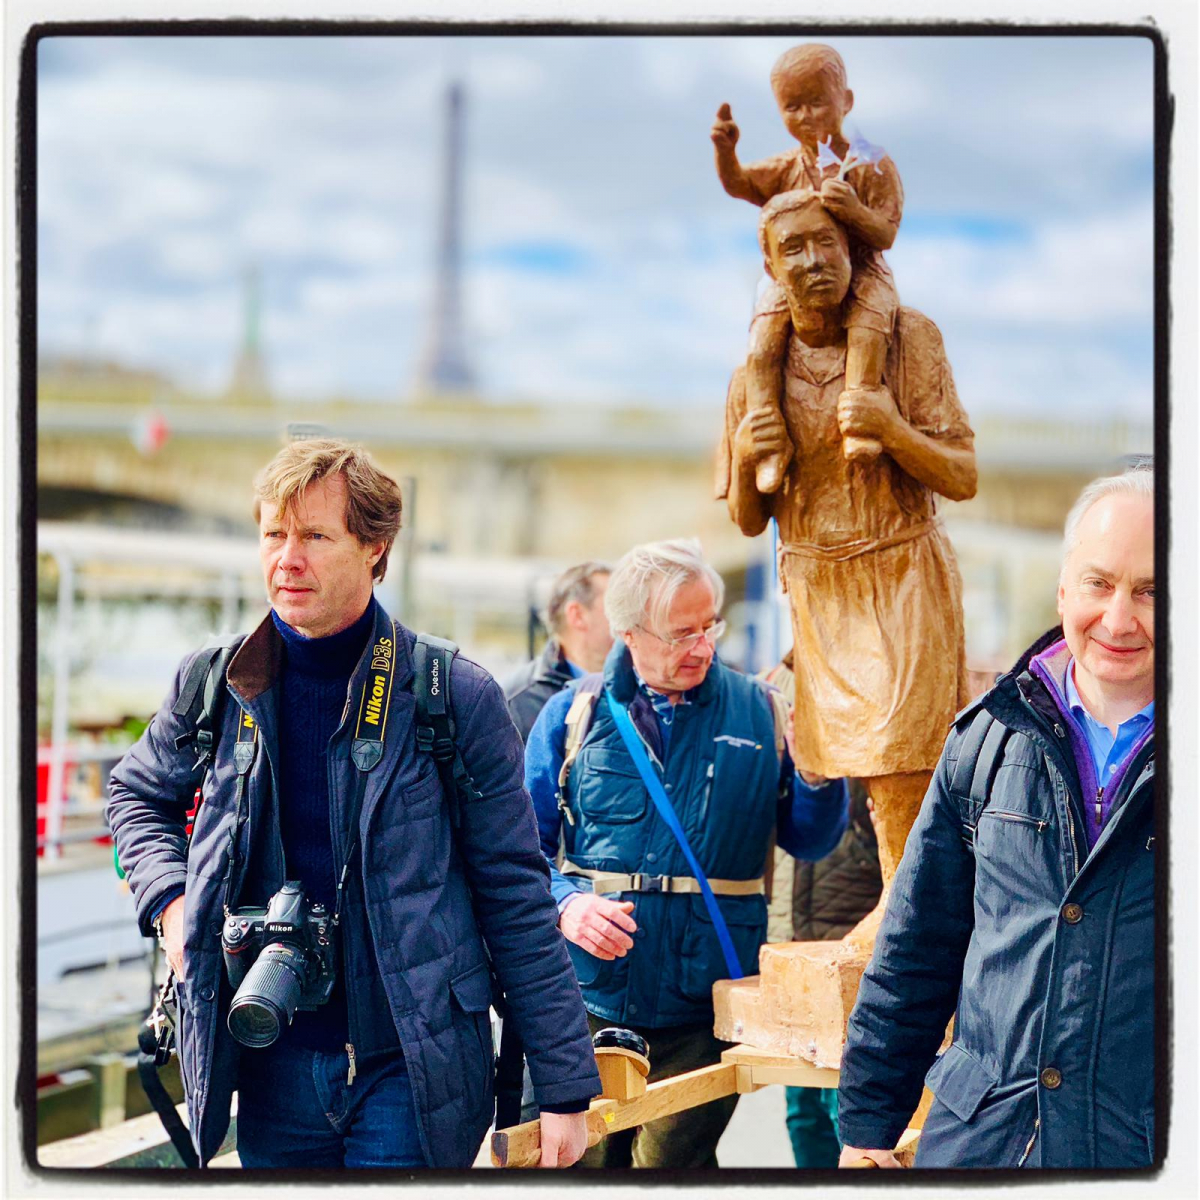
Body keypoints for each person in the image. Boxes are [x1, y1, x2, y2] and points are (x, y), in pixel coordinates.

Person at [107, 438, 600, 1169]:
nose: (287, 558)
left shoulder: (450, 695)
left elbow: (515, 890)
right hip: (266, 1055)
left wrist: (563, 1087)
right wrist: (175, 908)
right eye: (274, 534)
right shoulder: (215, 684)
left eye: (314, 536)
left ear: (375, 548)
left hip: (411, 1064)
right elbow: (134, 794)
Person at [836, 466, 1155, 1169]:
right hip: (984, 1147)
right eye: (1100, 583)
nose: (1120, 618)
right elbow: (915, 953)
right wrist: (865, 1128)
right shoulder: (985, 740)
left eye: (1152, 591)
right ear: (1065, 586)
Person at [524, 538, 850, 1168]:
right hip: (586, 999)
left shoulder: (763, 711)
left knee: (674, 1167)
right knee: (578, 1166)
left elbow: (811, 840)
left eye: (710, 626)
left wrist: (816, 777)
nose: (703, 646)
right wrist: (566, 905)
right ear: (629, 635)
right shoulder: (572, 714)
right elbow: (516, 854)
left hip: (705, 1000)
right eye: (682, 633)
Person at [719, 187, 976, 944]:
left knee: (906, 754)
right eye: (791, 248)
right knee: (862, 760)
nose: (811, 261)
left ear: (852, 250)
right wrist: (741, 454)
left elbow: (961, 474)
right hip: (819, 581)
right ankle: (907, 912)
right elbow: (747, 517)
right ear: (770, 267)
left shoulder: (908, 339)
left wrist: (892, 429)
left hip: (898, 568)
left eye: (824, 242)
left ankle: (905, 918)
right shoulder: (752, 378)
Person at [712, 42, 904, 487]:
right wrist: (726, 152)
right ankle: (769, 444)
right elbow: (740, 183)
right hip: (798, 281)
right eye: (792, 107)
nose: (806, 116)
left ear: (846, 102)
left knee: (871, 321)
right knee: (762, 340)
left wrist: (854, 212)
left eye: (817, 102)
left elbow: (886, 234)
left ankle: (858, 418)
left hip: (861, 273)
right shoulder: (786, 166)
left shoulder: (871, 164)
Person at [761, 654, 881, 1169]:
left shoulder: (878, 678)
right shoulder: (769, 687)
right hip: (788, 929)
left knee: (845, 1101)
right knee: (801, 1104)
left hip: (851, 926)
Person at [504, 561, 612, 743]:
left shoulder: (644, 686)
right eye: (616, 604)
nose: (630, 615)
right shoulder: (515, 704)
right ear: (577, 615)